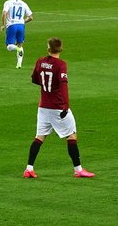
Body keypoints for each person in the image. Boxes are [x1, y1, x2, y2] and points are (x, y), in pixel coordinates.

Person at [24, 37, 94, 179]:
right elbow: (63, 85)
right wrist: (65, 106)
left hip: (43, 106)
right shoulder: (61, 65)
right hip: (57, 107)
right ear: (61, 49)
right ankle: (78, 170)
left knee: (39, 137)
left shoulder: (40, 61)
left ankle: (29, 169)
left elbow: (34, 79)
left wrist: (46, 87)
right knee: (71, 135)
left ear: (48, 49)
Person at [1, 0, 33, 69]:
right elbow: (31, 17)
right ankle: (19, 64)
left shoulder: (8, 2)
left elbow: (4, 13)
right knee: (20, 44)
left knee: (9, 46)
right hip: (21, 26)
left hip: (12, 25)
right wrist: (22, 21)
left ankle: (17, 49)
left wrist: (3, 25)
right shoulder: (23, 3)